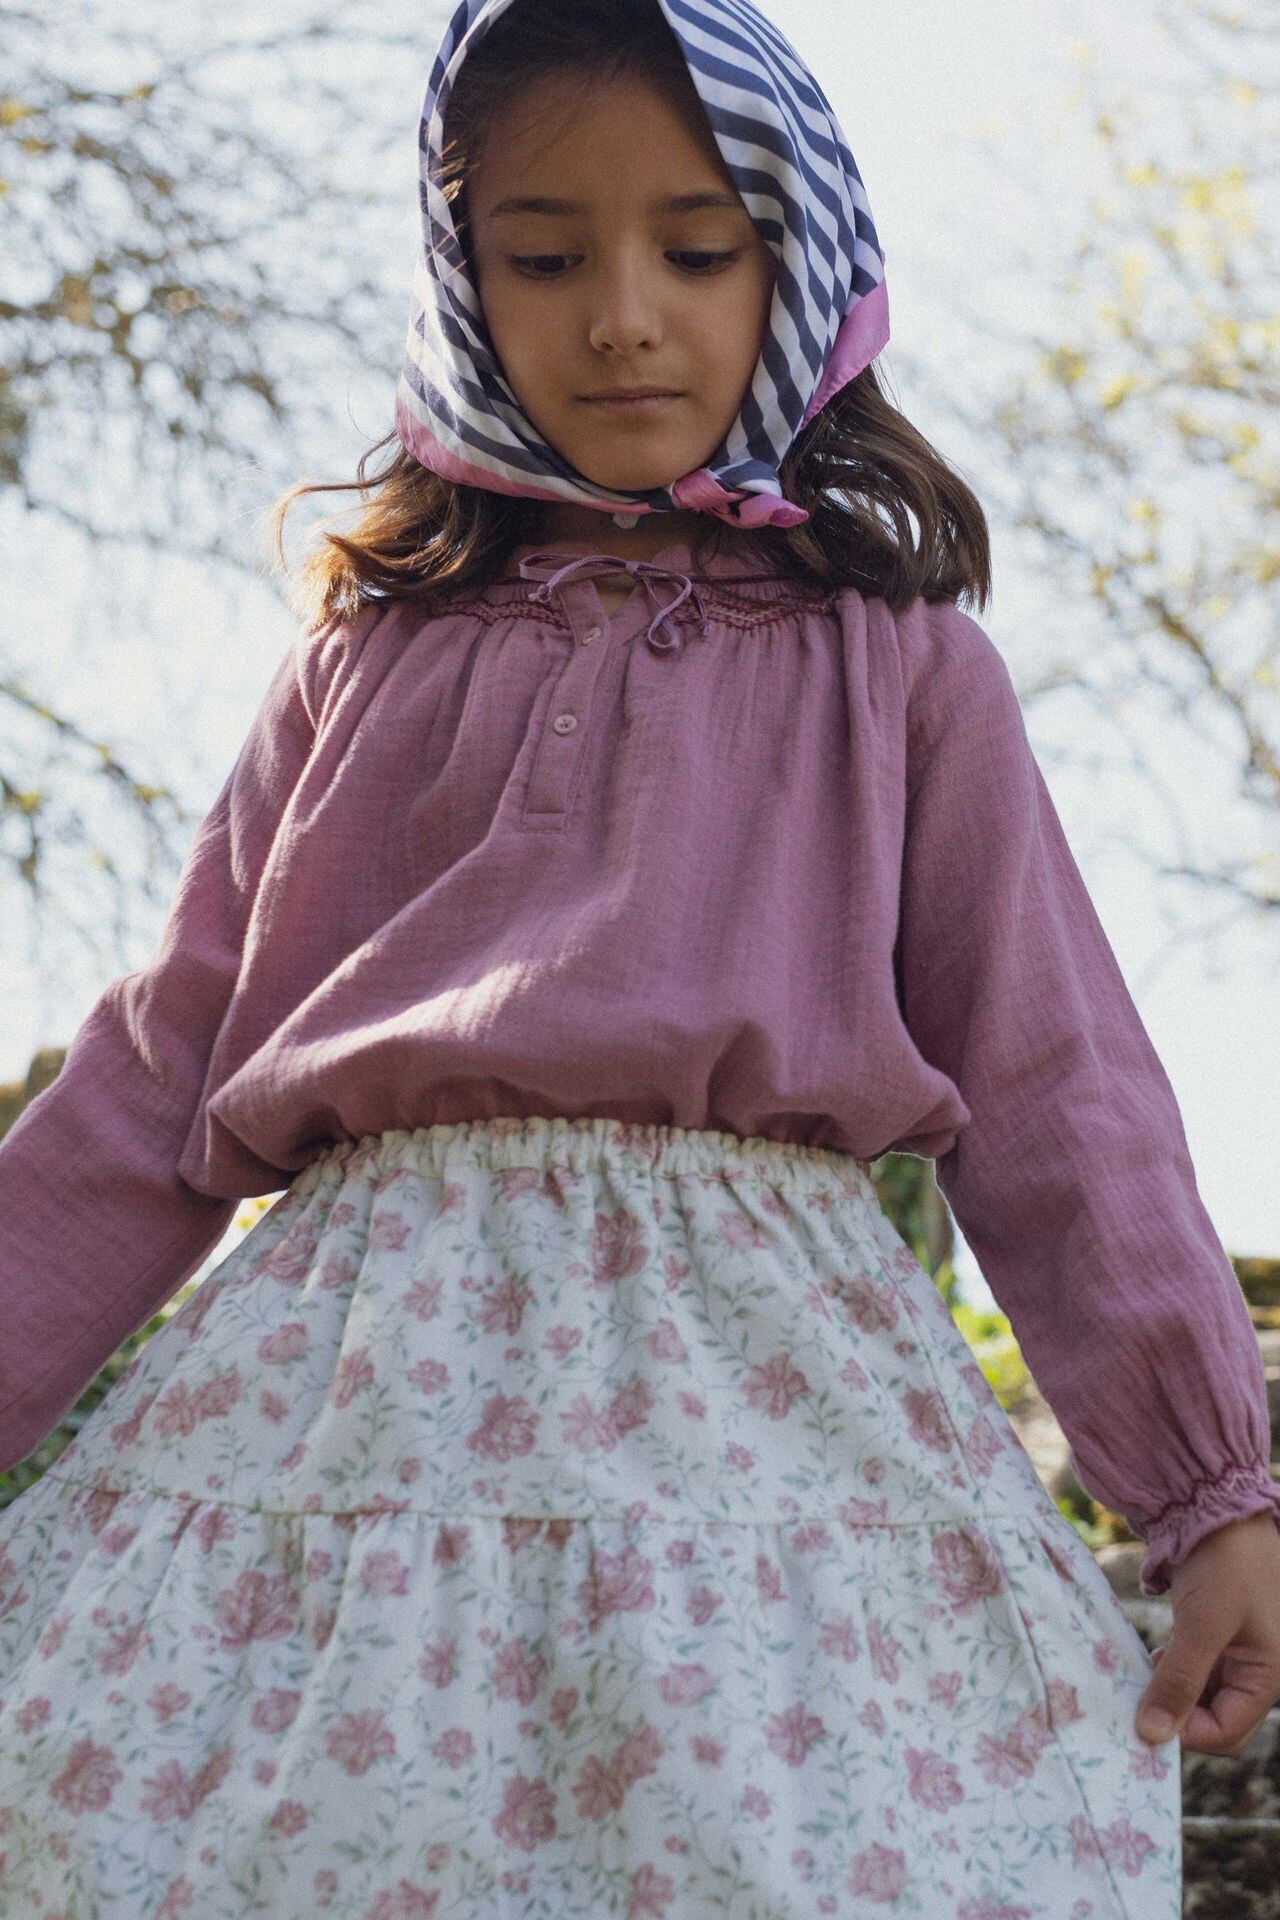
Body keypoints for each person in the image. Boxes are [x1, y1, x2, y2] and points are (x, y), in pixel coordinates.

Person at [1, 0, 1277, 1911]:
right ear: (459, 279)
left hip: (771, 1451)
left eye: (696, 251)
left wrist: (1210, 1491)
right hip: (357, 1444)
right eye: (544, 256)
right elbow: (159, 1071)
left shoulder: (904, 673)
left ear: (803, 264)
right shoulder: (362, 665)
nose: (620, 316)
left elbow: (1054, 1091)